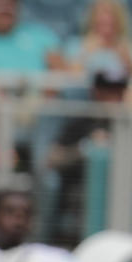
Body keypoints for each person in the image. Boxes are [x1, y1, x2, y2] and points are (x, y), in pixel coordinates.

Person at [46, 67, 128, 248]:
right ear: (96, 92)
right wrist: (84, 148)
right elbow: (52, 159)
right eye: (109, 91)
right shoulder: (82, 121)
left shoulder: (127, 125)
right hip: (81, 203)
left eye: (119, 91)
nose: (114, 97)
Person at [65, 0, 132, 77]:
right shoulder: (75, 45)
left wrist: (126, 60)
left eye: (110, 14)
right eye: (101, 14)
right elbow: (69, 77)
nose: (106, 18)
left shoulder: (127, 47)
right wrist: (85, 53)